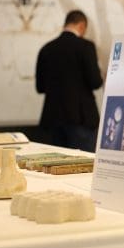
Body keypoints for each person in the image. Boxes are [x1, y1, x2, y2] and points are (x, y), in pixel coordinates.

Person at [36, 10, 104, 152]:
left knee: (56, 163)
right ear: (82, 26)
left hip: (53, 120)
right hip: (81, 118)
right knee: (84, 163)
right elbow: (95, 82)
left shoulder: (46, 49)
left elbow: (40, 87)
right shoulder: (86, 47)